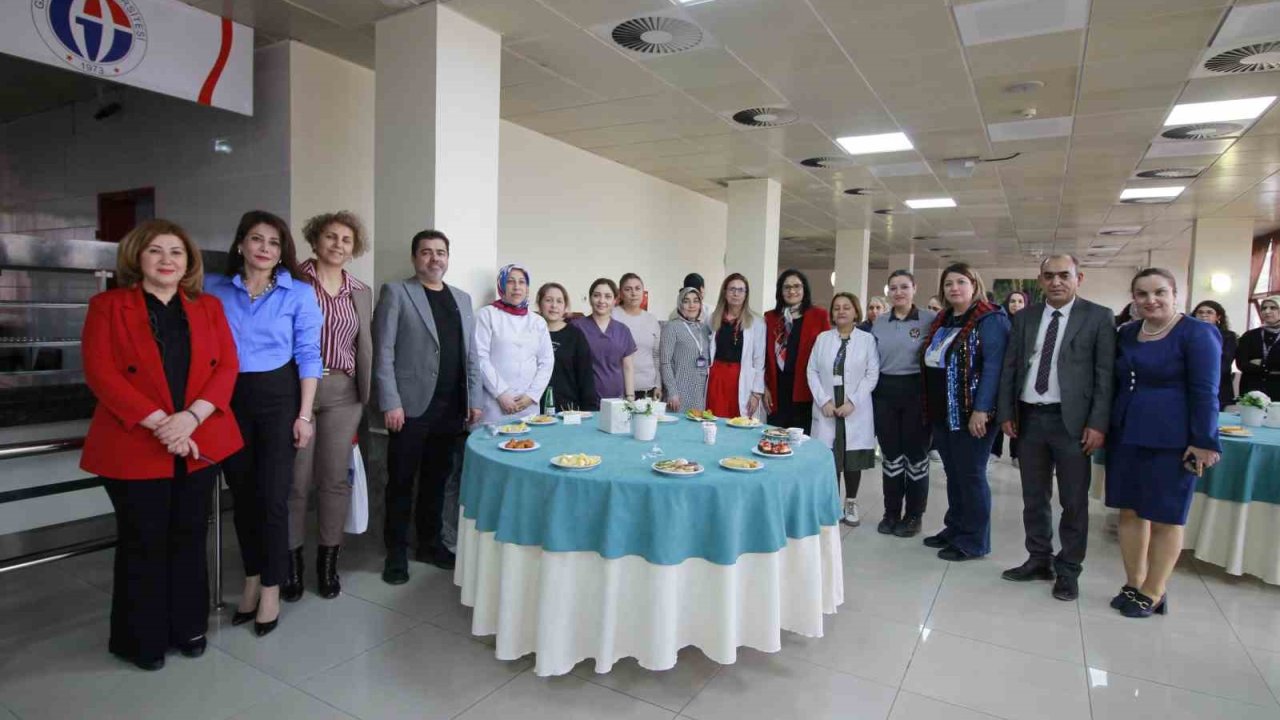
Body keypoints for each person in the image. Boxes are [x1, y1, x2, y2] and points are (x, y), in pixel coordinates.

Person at [80, 220, 242, 671]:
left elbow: (227, 367)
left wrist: (190, 418)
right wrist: (161, 424)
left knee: (190, 535)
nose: (167, 259)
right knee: (143, 540)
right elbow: (101, 373)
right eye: (156, 251)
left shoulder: (208, 307)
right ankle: (141, 640)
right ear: (138, 258)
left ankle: (188, 627)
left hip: (199, 438)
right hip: (134, 441)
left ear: (188, 262)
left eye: (176, 252)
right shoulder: (107, 305)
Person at [206, 210, 322, 637]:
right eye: (256, 240)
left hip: (278, 398)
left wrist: (304, 414)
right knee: (244, 496)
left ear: (281, 252)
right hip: (228, 398)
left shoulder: (299, 294)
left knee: (273, 498)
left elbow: (310, 356)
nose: (264, 249)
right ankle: (251, 578)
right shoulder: (215, 290)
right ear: (241, 244)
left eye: (273, 243)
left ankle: (271, 586)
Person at [997, 255, 1115, 601]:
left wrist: (1097, 423)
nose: (1056, 282)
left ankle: (1068, 570)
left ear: (1080, 277)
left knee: (1074, 501)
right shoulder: (1025, 317)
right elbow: (1012, 367)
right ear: (1040, 280)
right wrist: (1007, 410)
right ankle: (1038, 559)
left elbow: (1105, 376)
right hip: (1031, 418)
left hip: (1074, 423)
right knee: (1034, 497)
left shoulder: (1098, 317)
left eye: (1064, 275)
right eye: (1048, 276)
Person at [1106, 268, 1221, 618]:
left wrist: (1204, 441)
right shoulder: (1126, 333)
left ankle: (1155, 590)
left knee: (1166, 516)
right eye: (1142, 294)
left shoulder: (1198, 333)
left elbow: (1206, 391)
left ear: (1175, 294)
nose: (1150, 300)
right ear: (1134, 299)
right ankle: (1134, 581)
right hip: (1127, 432)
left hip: (1174, 438)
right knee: (1130, 509)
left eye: (1159, 292)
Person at [373, 229, 482, 582]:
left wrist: (474, 400)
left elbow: (471, 355)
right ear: (414, 257)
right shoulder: (397, 292)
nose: (434, 258)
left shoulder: (462, 299)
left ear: (448, 257)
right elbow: (384, 353)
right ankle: (396, 553)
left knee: (437, 481)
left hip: (451, 409)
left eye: (441, 252)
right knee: (401, 482)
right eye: (426, 252)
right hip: (409, 408)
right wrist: (390, 402)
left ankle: (430, 544)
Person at [285, 212, 373, 602]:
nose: (338, 244)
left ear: (354, 249)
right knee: (296, 482)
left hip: (344, 392)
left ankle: (327, 564)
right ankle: (290, 567)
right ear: (314, 239)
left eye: (346, 240)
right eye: (330, 237)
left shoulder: (360, 290)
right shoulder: (291, 280)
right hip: (297, 390)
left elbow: (363, 344)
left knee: (335, 479)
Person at [921, 263, 1010, 562]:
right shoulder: (944, 319)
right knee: (953, 473)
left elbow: (994, 368)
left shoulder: (990, 319)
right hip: (944, 411)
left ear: (974, 284)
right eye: (948, 283)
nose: (954, 288)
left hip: (973, 413)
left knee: (971, 474)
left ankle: (973, 540)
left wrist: (982, 409)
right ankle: (955, 527)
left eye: (961, 282)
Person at [870, 270, 936, 537]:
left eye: (904, 287)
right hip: (885, 393)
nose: (899, 292)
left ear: (914, 289)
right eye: (893, 288)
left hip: (916, 392)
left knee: (916, 456)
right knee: (891, 457)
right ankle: (891, 512)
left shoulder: (930, 319)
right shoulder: (880, 322)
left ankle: (914, 515)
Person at [808, 293, 879, 527]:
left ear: (856, 312)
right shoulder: (823, 339)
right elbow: (812, 371)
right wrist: (823, 401)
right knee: (831, 456)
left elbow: (872, 374)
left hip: (853, 405)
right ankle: (831, 503)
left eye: (846, 307)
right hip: (828, 402)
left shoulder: (867, 340)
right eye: (836, 307)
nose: (841, 311)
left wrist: (853, 402)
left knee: (852, 457)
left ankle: (851, 502)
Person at [475, 264, 554, 423]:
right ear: (502, 285)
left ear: (527, 287)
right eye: (511, 281)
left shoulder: (537, 321)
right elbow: (480, 357)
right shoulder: (487, 315)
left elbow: (546, 361)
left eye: (522, 282)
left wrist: (532, 396)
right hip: (495, 404)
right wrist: (501, 394)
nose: (517, 287)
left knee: (528, 444)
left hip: (528, 405)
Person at [765, 270, 830, 433]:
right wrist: (764, 386)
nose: (792, 291)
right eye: (786, 287)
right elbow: (763, 356)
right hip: (777, 390)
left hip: (805, 389)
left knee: (801, 441)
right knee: (775, 440)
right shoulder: (770, 318)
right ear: (780, 291)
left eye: (796, 286)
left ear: (804, 289)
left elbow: (826, 353)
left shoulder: (819, 316)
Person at [706, 273, 767, 419]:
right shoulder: (713, 319)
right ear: (724, 292)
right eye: (732, 289)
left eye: (741, 290)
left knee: (739, 422)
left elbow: (759, 360)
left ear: (746, 294)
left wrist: (756, 393)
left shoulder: (756, 322)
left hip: (741, 379)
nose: (736, 293)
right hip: (717, 378)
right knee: (715, 421)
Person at [536, 282, 598, 412]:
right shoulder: (530, 333)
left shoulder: (575, 336)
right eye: (548, 300)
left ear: (565, 307)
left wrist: (589, 410)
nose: (554, 306)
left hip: (568, 410)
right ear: (539, 304)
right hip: (533, 409)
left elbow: (585, 377)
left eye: (559, 301)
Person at [572, 279, 637, 403]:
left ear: (615, 301)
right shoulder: (577, 327)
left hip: (616, 399)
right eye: (597, 295)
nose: (602, 301)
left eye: (607, 296)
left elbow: (628, 367)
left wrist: (630, 397)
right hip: (584, 400)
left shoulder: (623, 330)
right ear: (590, 298)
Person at [991, 290, 1031, 464]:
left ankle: (1016, 454)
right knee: (1000, 413)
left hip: (1021, 377)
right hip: (1001, 375)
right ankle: (995, 451)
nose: (1016, 305)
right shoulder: (1000, 322)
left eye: (1020, 301)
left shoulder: (1030, 324)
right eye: (1013, 301)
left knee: (1018, 415)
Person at [661, 286, 712, 412]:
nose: (691, 305)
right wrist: (672, 392)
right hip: (679, 392)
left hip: (700, 392)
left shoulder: (704, 329)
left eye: (696, 301)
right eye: (686, 301)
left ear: (701, 304)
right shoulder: (671, 327)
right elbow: (665, 362)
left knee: (696, 429)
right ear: (680, 304)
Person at [613, 273, 663, 400]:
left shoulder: (651, 319)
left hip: (648, 389)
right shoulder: (613, 316)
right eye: (628, 289)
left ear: (643, 291)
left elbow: (656, 355)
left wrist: (658, 384)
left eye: (637, 288)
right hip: (620, 389)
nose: (633, 293)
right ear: (621, 293)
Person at [1193, 300, 1238, 409]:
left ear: (1218, 317)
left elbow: (1224, 364)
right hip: (1191, 387)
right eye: (1200, 312)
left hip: (1218, 387)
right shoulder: (1188, 334)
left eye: (1209, 312)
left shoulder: (1228, 337)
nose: (1204, 315)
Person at [1236, 295, 1280, 400]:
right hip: (1252, 388)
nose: (1267, 311)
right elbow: (1242, 364)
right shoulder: (1250, 335)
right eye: (1264, 308)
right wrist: (1272, 368)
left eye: (1273, 308)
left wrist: (1262, 363)